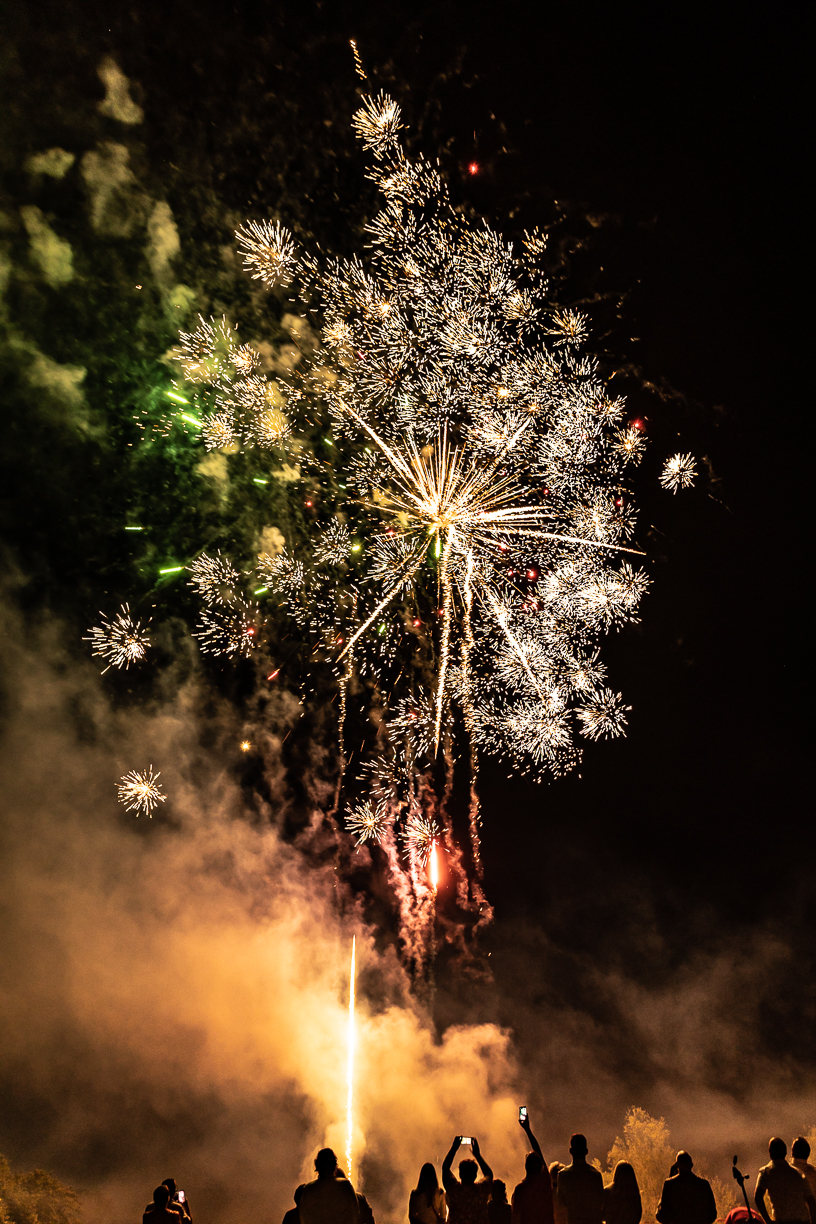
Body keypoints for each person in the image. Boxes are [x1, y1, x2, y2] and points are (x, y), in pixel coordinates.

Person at [755, 1138, 816, 1224]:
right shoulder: (798, 1174)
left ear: (770, 1153)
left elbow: (758, 1196)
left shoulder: (766, 1172)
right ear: (786, 1153)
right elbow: (811, 1201)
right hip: (803, 1221)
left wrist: (768, 1220)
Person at [512, 1111, 554, 1224]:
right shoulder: (545, 1182)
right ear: (541, 1166)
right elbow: (538, 1151)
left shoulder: (520, 1189)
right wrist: (527, 1129)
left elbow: (516, 1217)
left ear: (525, 1166)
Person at [298, 1148, 360, 1224]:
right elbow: (354, 1213)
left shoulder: (309, 1189)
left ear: (317, 1165)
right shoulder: (344, 1186)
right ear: (334, 1165)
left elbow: (304, 1217)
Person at [443, 1135, 494, 1224]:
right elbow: (489, 1174)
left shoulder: (454, 1190)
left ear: (460, 1174)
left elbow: (445, 1168)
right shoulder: (481, 1190)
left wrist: (454, 1148)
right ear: (475, 1175)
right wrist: (477, 1155)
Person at [655, 1151, 717, 1224]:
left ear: (676, 1165)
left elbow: (662, 1215)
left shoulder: (670, 1185)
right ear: (691, 1165)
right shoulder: (703, 1185)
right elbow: (712, 1213)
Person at [556, 1135, 604, 1224]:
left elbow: (561, 1203)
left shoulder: (563, 1175)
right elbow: (601, 1202)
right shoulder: (596, 1175)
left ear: (571, 1151)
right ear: (586, 1151)